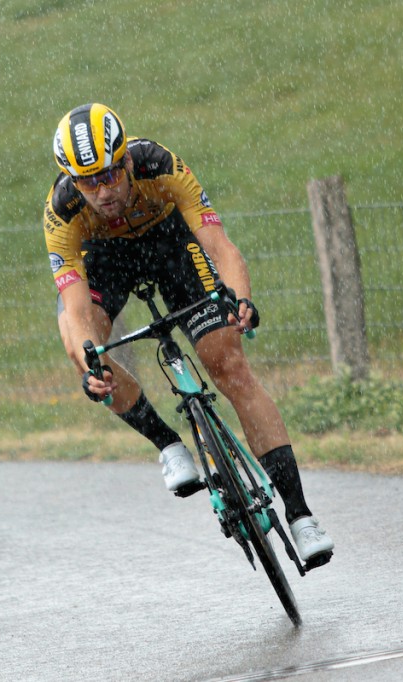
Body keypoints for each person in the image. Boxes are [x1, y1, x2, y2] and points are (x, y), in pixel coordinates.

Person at [44, 103, 334, 566]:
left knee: (230, 366)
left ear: (127, 163)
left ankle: (300, 517)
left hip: (171, 247)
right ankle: (168, 444)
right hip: (104, 263)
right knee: (81, 346)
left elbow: (218, 245)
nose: (101, 191)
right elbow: (77, 307)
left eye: (109, 175)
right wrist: (87, 358)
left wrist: (241, 299)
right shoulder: (63, 210)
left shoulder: (159, 164)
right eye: (87, 181)